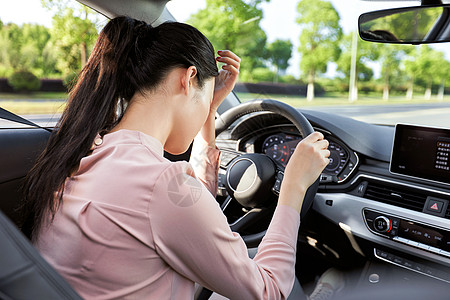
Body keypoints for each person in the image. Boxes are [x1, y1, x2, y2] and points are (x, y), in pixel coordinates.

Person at [22, 16, 330, 299]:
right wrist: (293, 187)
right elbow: (269, 289)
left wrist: (208, 112)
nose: (208, 107)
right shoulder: (161, 184)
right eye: (208, 96)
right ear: (188, 77)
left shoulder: (86, 151)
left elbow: (187, 218)